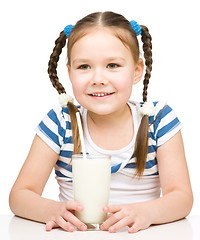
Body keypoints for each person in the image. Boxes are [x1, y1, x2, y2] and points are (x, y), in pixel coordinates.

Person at [9, 11, 193, 233]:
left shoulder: (158, 120)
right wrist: (50, 209)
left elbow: (182, 198)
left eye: (113, 65)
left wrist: (148, 212)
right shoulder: (61, 122)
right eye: (84, 67)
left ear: (136, 71)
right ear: (69, 72)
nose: (98, 79)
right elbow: (19, 195)